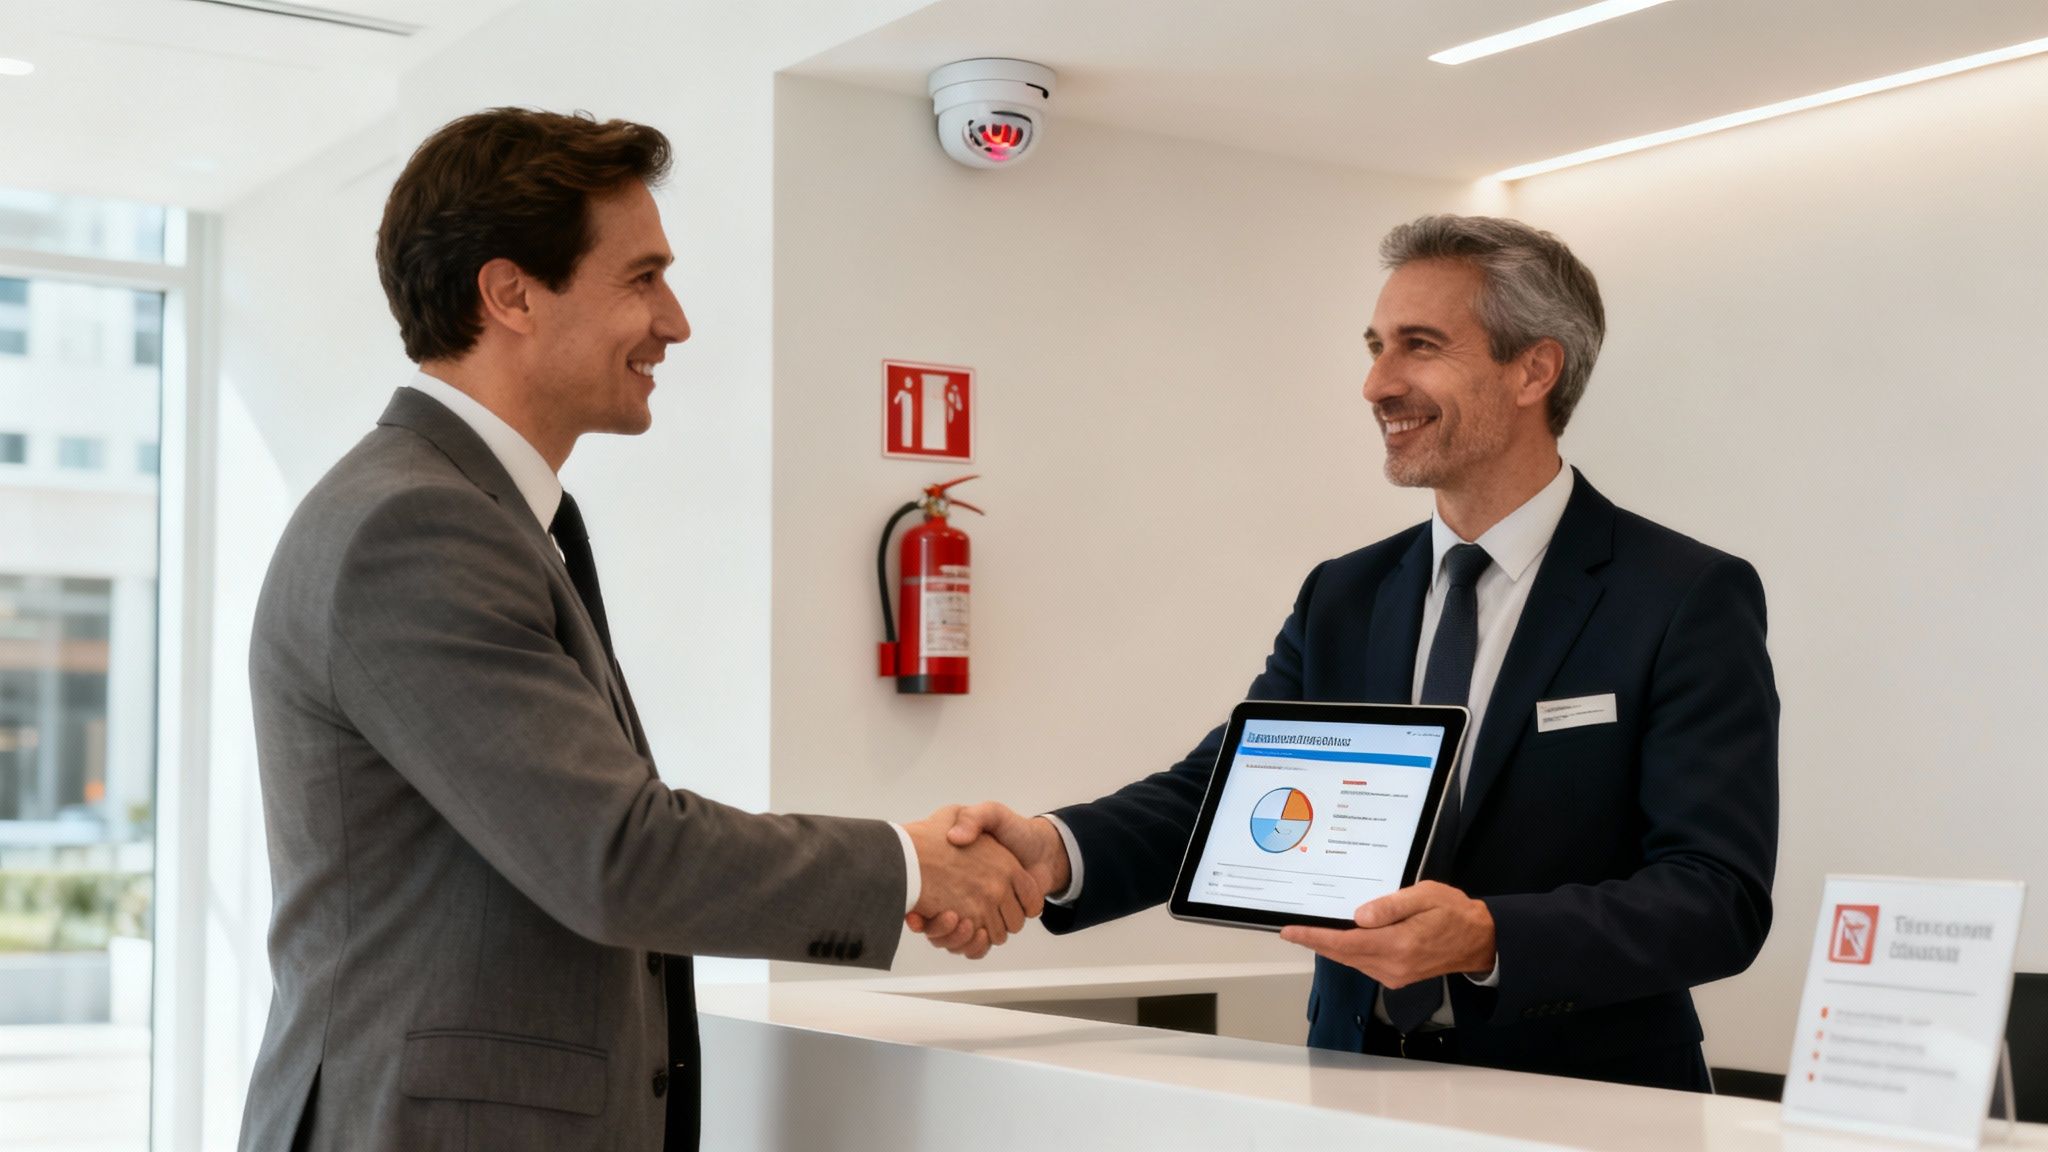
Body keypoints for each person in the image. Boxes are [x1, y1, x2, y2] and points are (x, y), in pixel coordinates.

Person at [238, 108, 1041, 1152]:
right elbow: (614, 857)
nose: (675, 321)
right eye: (641, 278)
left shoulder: (470, 513)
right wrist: (909, 865)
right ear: (509, 294)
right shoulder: (414, 525)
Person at [915, 214, 1778, 1092]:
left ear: (1534, 368)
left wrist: (1488, 935)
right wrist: (1051, 852)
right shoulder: (1346, 594)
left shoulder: (1681, 596)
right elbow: (1223, 794)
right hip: (1354, 1079)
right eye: (1374, 346)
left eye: (1419, 346)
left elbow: (1717, 896)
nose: (1376, 383)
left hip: (1591, 1100)